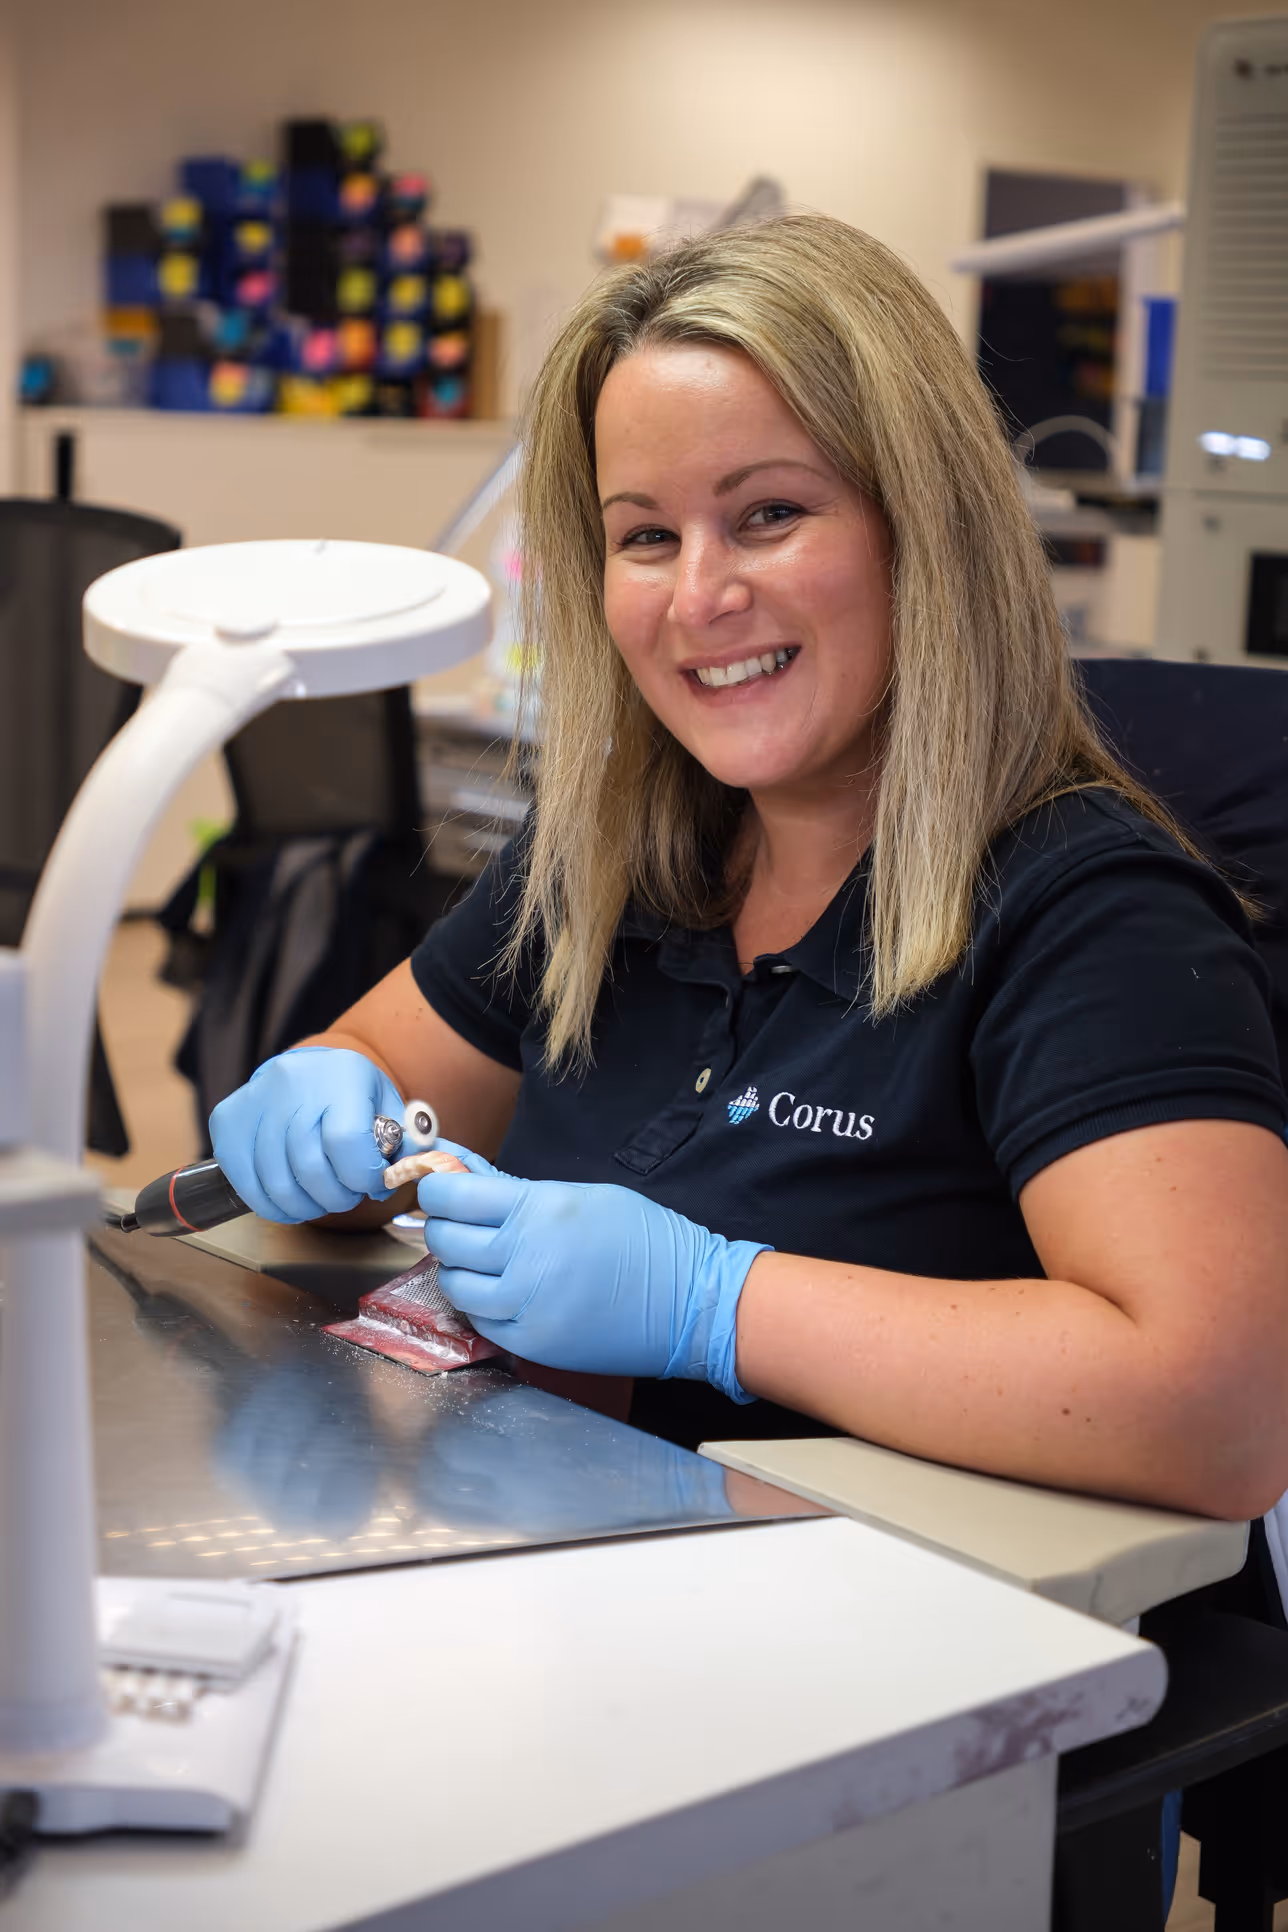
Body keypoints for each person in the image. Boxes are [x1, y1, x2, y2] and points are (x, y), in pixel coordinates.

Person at [212, 215, 1288, 1520]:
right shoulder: (608, 870)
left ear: (925, 533)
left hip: (922, 1651)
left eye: (769, 515)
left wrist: (716, 1304)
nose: (697, 596)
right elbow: (376, 1097)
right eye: (646, 537)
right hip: (569, 1578)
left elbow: (1219, 1413)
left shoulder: (1089, 920)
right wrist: (325, 1115)